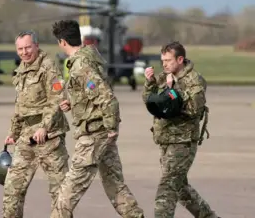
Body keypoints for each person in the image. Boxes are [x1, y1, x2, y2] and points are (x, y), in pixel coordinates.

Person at [50, 20, 145, 218]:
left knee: (69, 189)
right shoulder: (87, 59)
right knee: (115, 186)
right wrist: (72, 102)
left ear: (62, 42)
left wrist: (111, 127)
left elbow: (107, 98)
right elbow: (89, 92)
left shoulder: (81, 65)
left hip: (93, 134)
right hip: (101, 133)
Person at [142, 41, 220, 218]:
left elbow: (194, 109)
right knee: (180, 189)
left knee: (167, 187)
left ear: (180, 59)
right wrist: (150, 83)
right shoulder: (164, 76)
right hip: (165, 139)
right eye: (163, 60)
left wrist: (172, 91)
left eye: (168, 60)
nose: (164, 64)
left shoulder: (195, 80)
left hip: (182, 141)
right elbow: (150, 101)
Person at [3, 30, 71, 218]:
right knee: (12, 189)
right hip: (26, 137)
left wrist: (45, 127)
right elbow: (20, 104)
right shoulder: (21, 69)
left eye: (27, 47)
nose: (24, 52)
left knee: (60, 192)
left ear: (36, 46)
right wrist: (14, 132)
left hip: (49, 138)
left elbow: (57, 97)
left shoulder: (48, 66)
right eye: (20, 49)